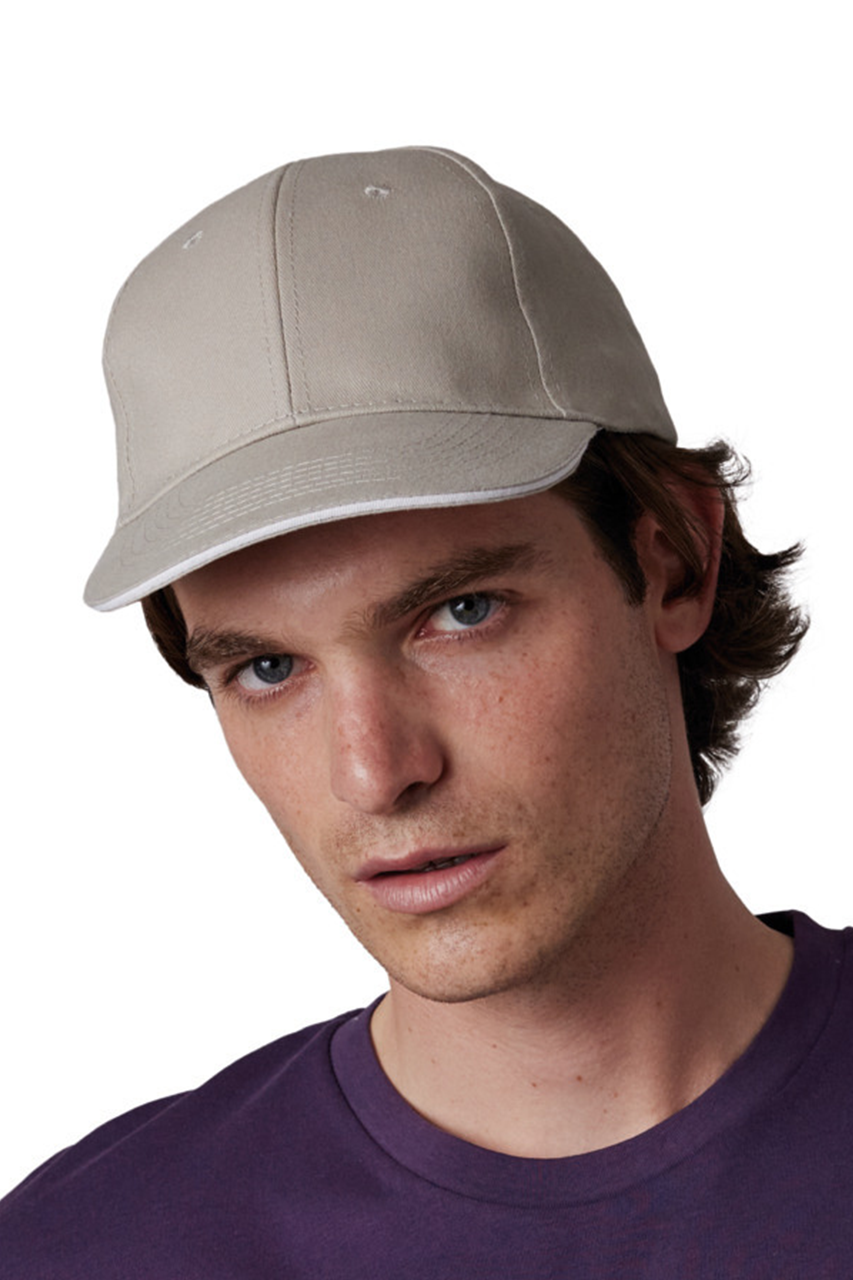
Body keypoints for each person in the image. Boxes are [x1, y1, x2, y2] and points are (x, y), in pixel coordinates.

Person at [0, 147, 849, 1276]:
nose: (374, 770)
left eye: (460, 612)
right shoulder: (84, 1250)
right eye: (267, 667)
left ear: (674, 564)